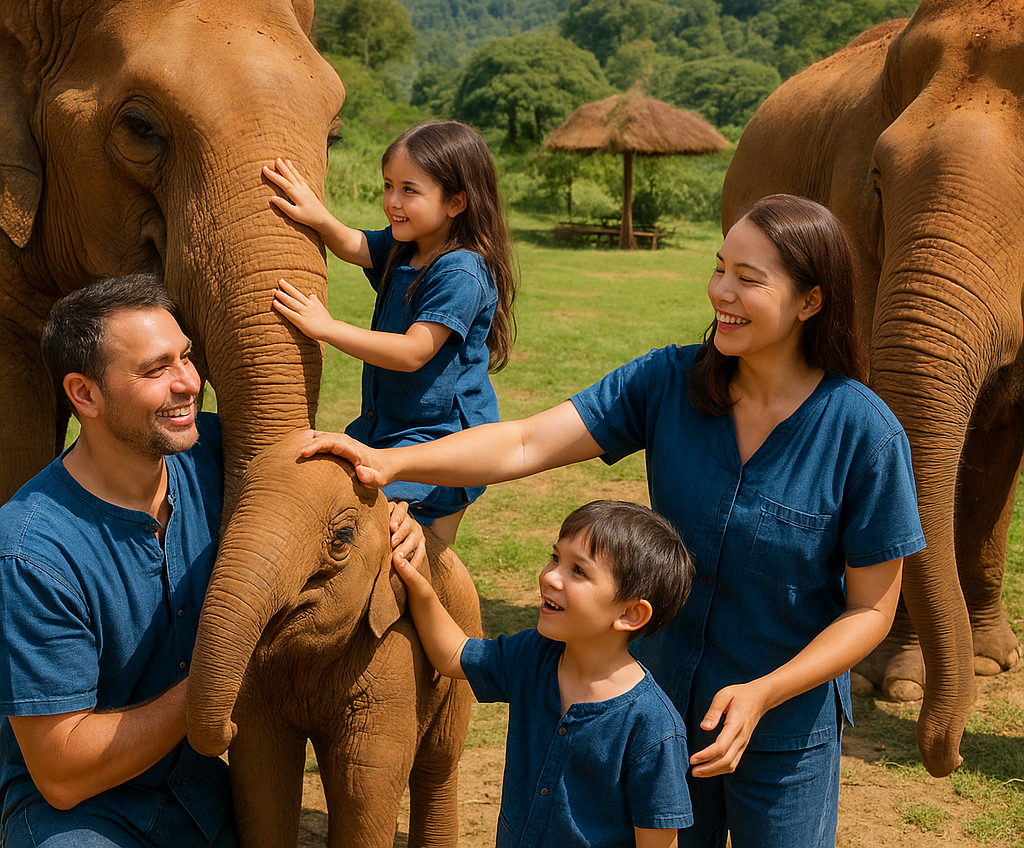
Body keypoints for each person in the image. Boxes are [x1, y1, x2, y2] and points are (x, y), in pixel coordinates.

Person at [300, 194, 926, 848]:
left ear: (810, 301)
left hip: (785, 731)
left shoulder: (863, 434)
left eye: (748, 278)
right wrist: (391, 460)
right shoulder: (670, 381)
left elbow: (870, 611)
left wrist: (765, 692)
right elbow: (526, 443)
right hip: (661, 718)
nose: (721, 292)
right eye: (719, 268)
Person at [0, 275, 425, 848]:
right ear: (85, 395)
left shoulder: (217, 457)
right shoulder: (31, 552)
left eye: (186, 357)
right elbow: (62, 773)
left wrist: (388, 520)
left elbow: (330, 506)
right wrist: (216, 677)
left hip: (203, 796)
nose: (188, 383)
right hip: (87, 817)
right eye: (155, 370)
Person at [265, 120, 517, 544]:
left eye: (409, 190)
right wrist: (318, 216)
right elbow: (357, 246)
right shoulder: (408, 246)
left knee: (410, 545)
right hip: (384, 430)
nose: (392, 202)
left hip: (439, 443)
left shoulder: (461, 270)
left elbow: (413, 351)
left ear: (456, 202)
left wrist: (328, 328)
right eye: (388, 186)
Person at [394, 499, 695, 848]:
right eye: (555, 558)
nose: (550, 576)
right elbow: (453, 654)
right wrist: (419, 586)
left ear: (630, 614)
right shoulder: (535, 655)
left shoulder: (653, 728)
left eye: (578, 571)